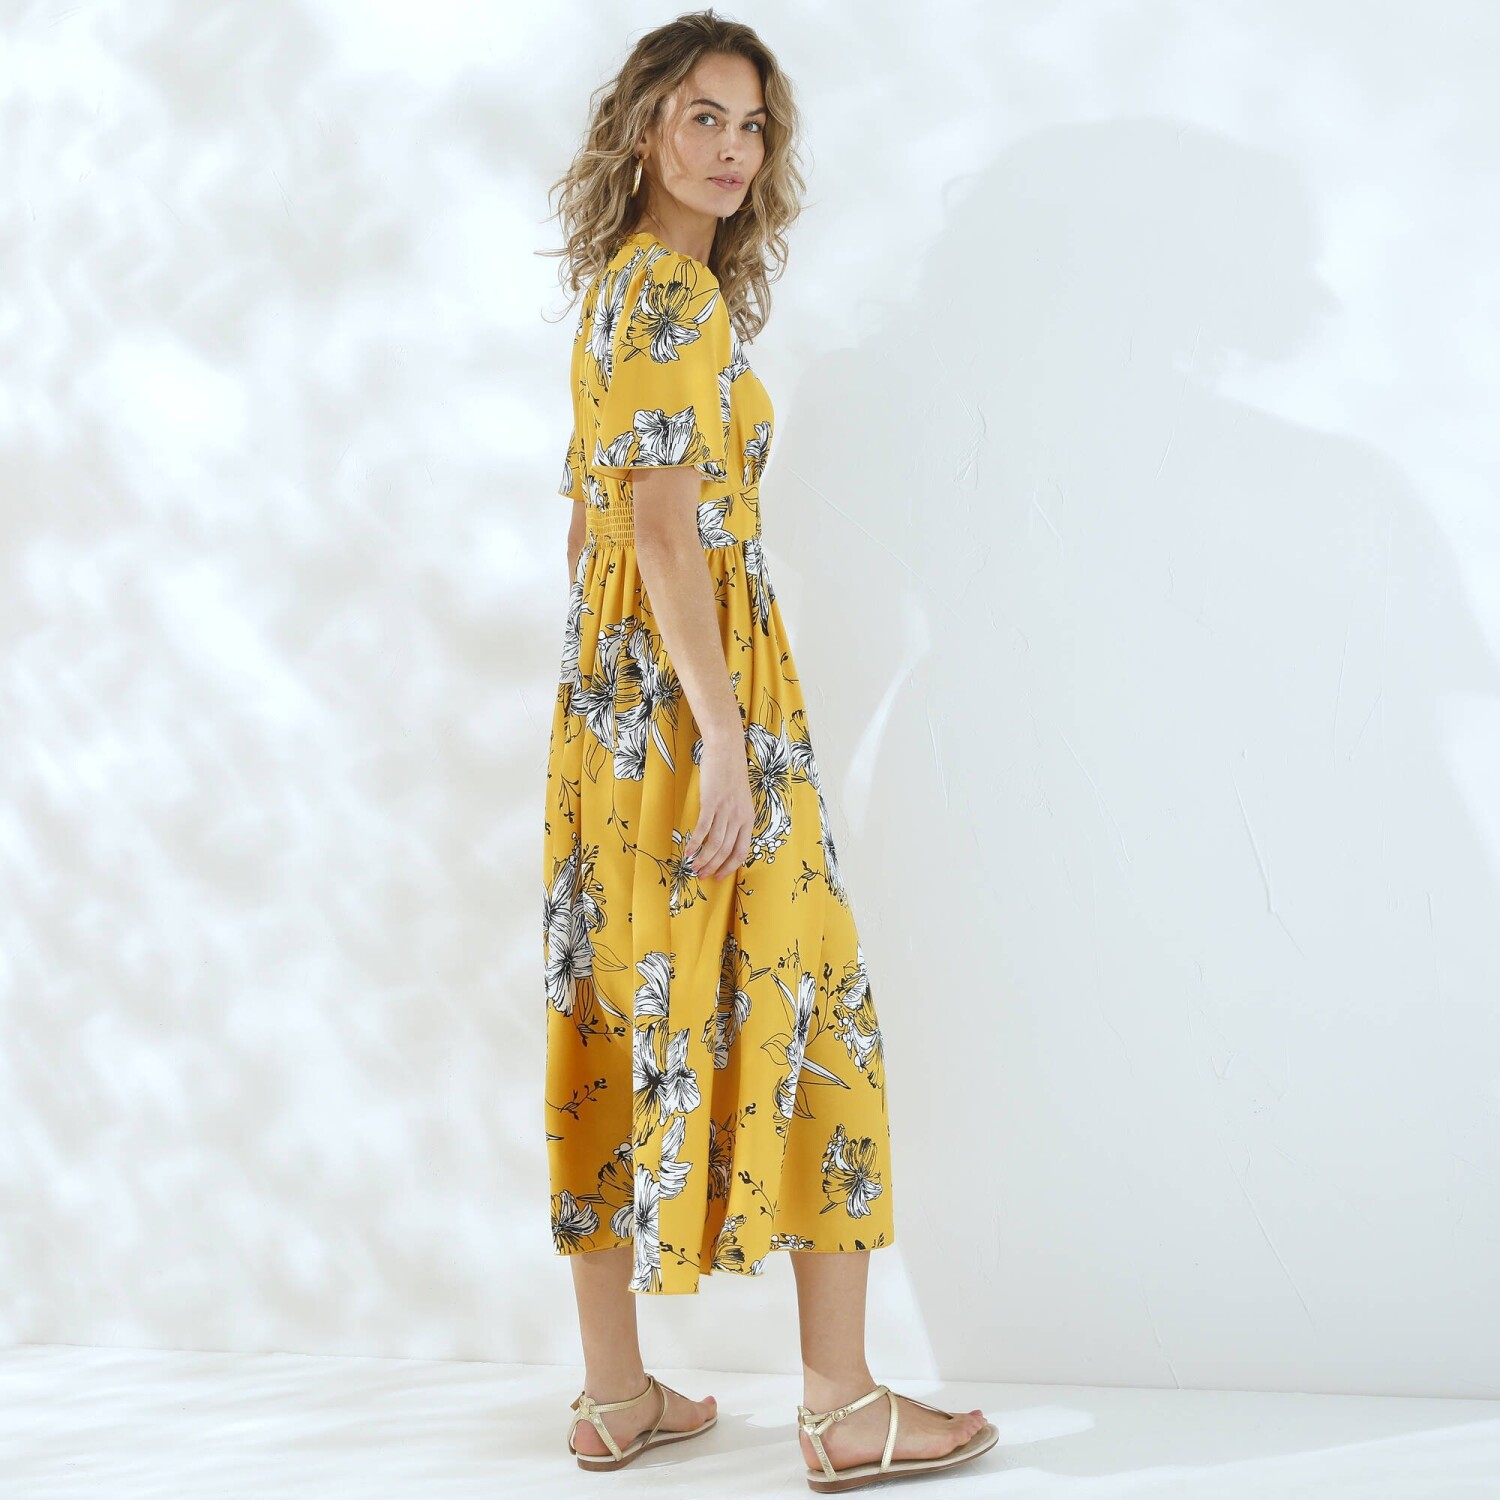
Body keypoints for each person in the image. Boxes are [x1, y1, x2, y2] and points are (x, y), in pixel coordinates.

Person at [540, 11, 997, 1490]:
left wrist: (619, 718)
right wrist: (724, 740)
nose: (733, 149)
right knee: (814, 1011)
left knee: (615, 1002)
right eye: (703, 117)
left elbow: (589, 535)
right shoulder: (672, 296)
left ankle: (616, 1394)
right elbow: (664, 532)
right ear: (641, 129)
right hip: (702, 700)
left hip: (614, 712)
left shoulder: (618, 291)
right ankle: (843, 1405)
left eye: (752, 126)